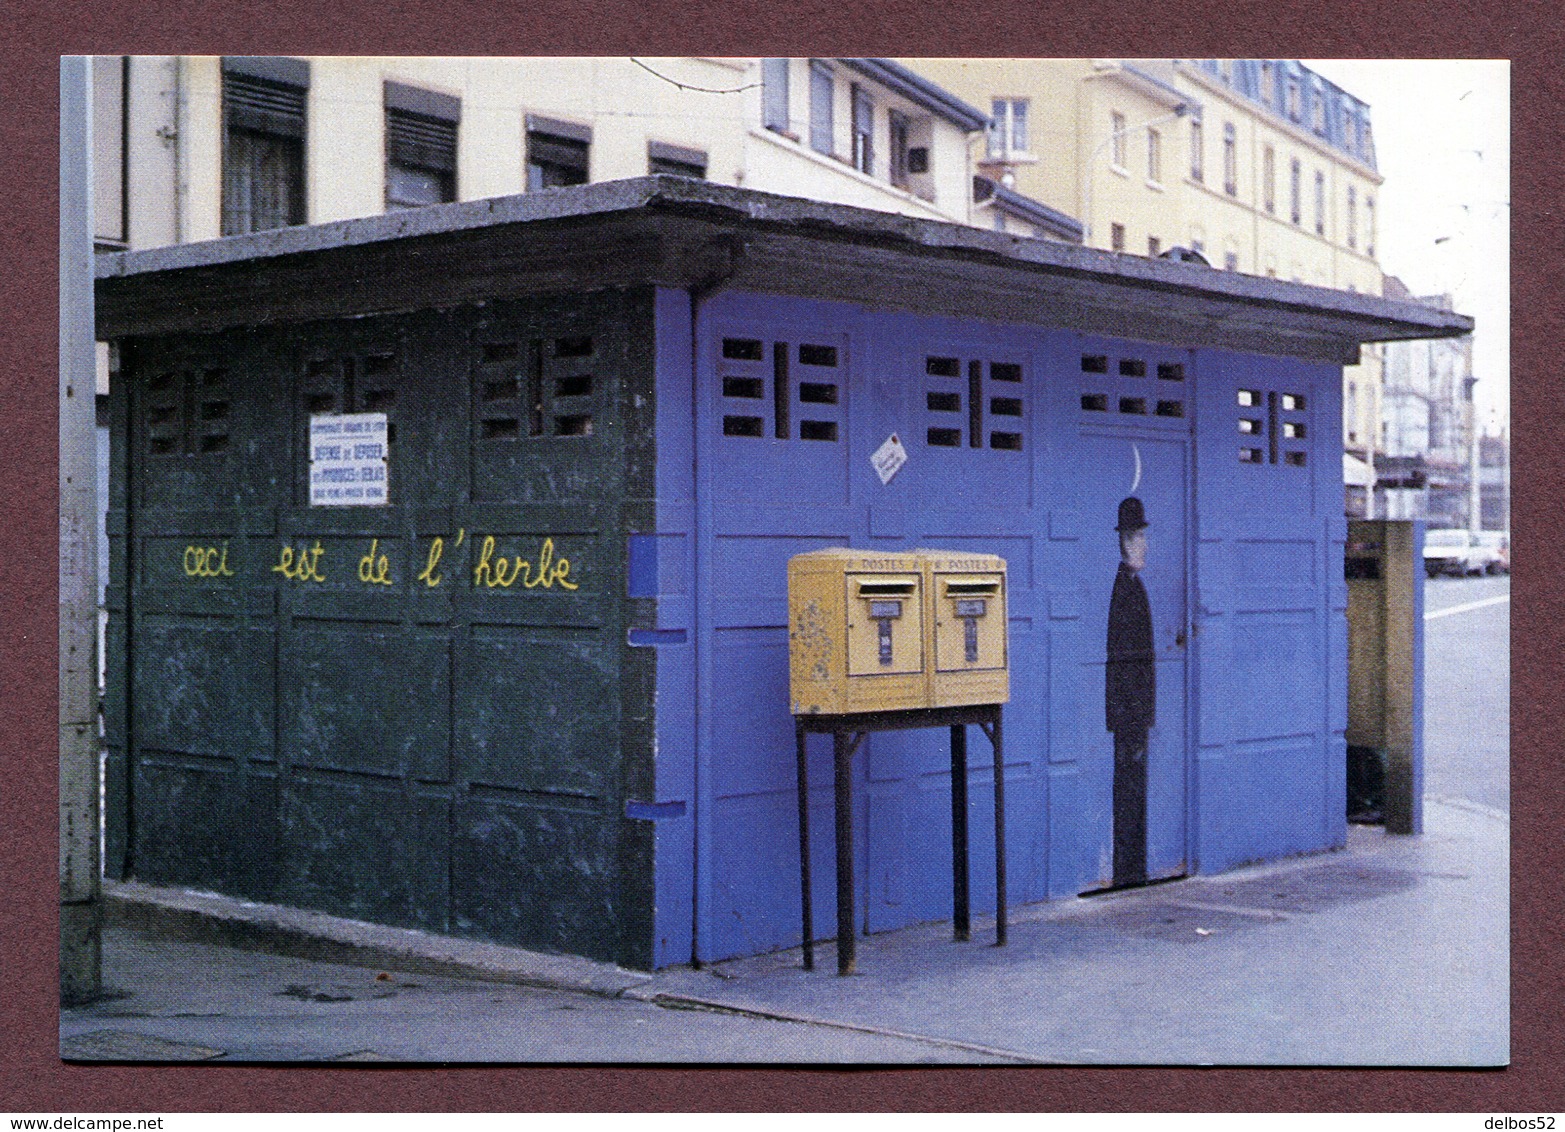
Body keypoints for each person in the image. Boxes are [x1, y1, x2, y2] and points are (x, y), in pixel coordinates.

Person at [1106, 496, 1154, 887]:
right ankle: (1128, 870)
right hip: (1129, 716)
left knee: (1134, 791)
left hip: (1134, 715)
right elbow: (1122, 661)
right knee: (1129, 792)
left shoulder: (1133, 585)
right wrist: (1132, 718)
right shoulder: (1125, 589)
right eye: (1137, 536)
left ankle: (1133, 868)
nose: (1143, 545)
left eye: (1142, 536)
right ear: (1123, 540)